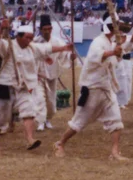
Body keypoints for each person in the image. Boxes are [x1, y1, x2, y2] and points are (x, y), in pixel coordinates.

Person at [54, 19, 128, 160]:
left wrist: (118, 51)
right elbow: (96, 57)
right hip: (92, 88)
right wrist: (113, 52)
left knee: (116, 119)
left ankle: (115, 151)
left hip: (106, 88)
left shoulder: (110, 43)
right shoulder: (97, 42)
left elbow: (115, 60)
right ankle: (60, 143)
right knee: (79, 122)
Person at [0, 23, 50, 152]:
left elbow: (47, 49)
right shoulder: (7, 45)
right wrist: (1, 28)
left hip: (23, 85)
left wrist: (64, 48)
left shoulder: (31, 49)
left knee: (28, 109)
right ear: (18, 37)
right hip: (5, 85)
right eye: (27, 38)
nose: (29, 41)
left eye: (31, 38)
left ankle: (30, 140)